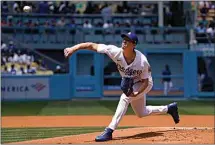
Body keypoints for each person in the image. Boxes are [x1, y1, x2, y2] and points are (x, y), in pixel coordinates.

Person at [64, 32, 180, 142]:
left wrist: (136, 93)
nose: (124, 42)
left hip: (144, 83)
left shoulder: (142, 61)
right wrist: (73, 48)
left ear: (134, 44)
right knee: (141, 112)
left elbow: (145, 82)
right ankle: (169, 108)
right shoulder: (115, 52)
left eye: (128, 40)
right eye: (124, 39)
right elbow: (93, 46)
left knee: (125, 97)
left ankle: (109, 130)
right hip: (132, 82)